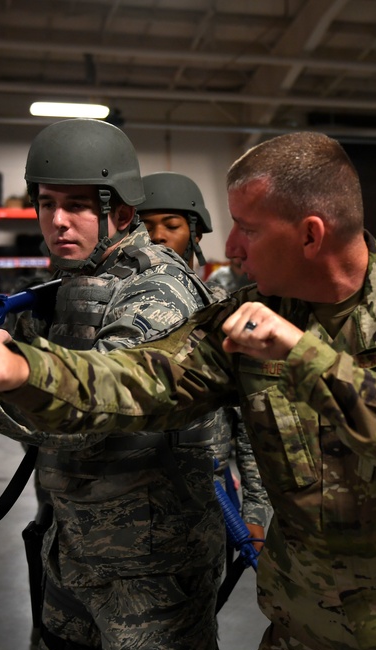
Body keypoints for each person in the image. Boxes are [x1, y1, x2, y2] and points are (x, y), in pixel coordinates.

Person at [0, 131, 376, 650]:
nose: (230, 249)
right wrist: (21, 371)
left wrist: (303, 357)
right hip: (306, 627)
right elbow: (141, 379)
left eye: (248, 229)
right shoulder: (249, 314)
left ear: (311, 235)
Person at [0, 119, 225, 650]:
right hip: (71, 543)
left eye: (77, 205)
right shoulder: (69, 280)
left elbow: (90, 418)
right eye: (47, 204)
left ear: (121, 212)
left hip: (150, 567)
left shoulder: (158, 294)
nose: (58, 221)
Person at [136, 170, 271, 551]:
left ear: (195, 235)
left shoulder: (220, 308)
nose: (158, 236)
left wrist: (255, 509)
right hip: (129, 498)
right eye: (145, 226)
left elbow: (250, 416)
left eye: (171, 225)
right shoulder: (114, 305)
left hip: (208, 497)